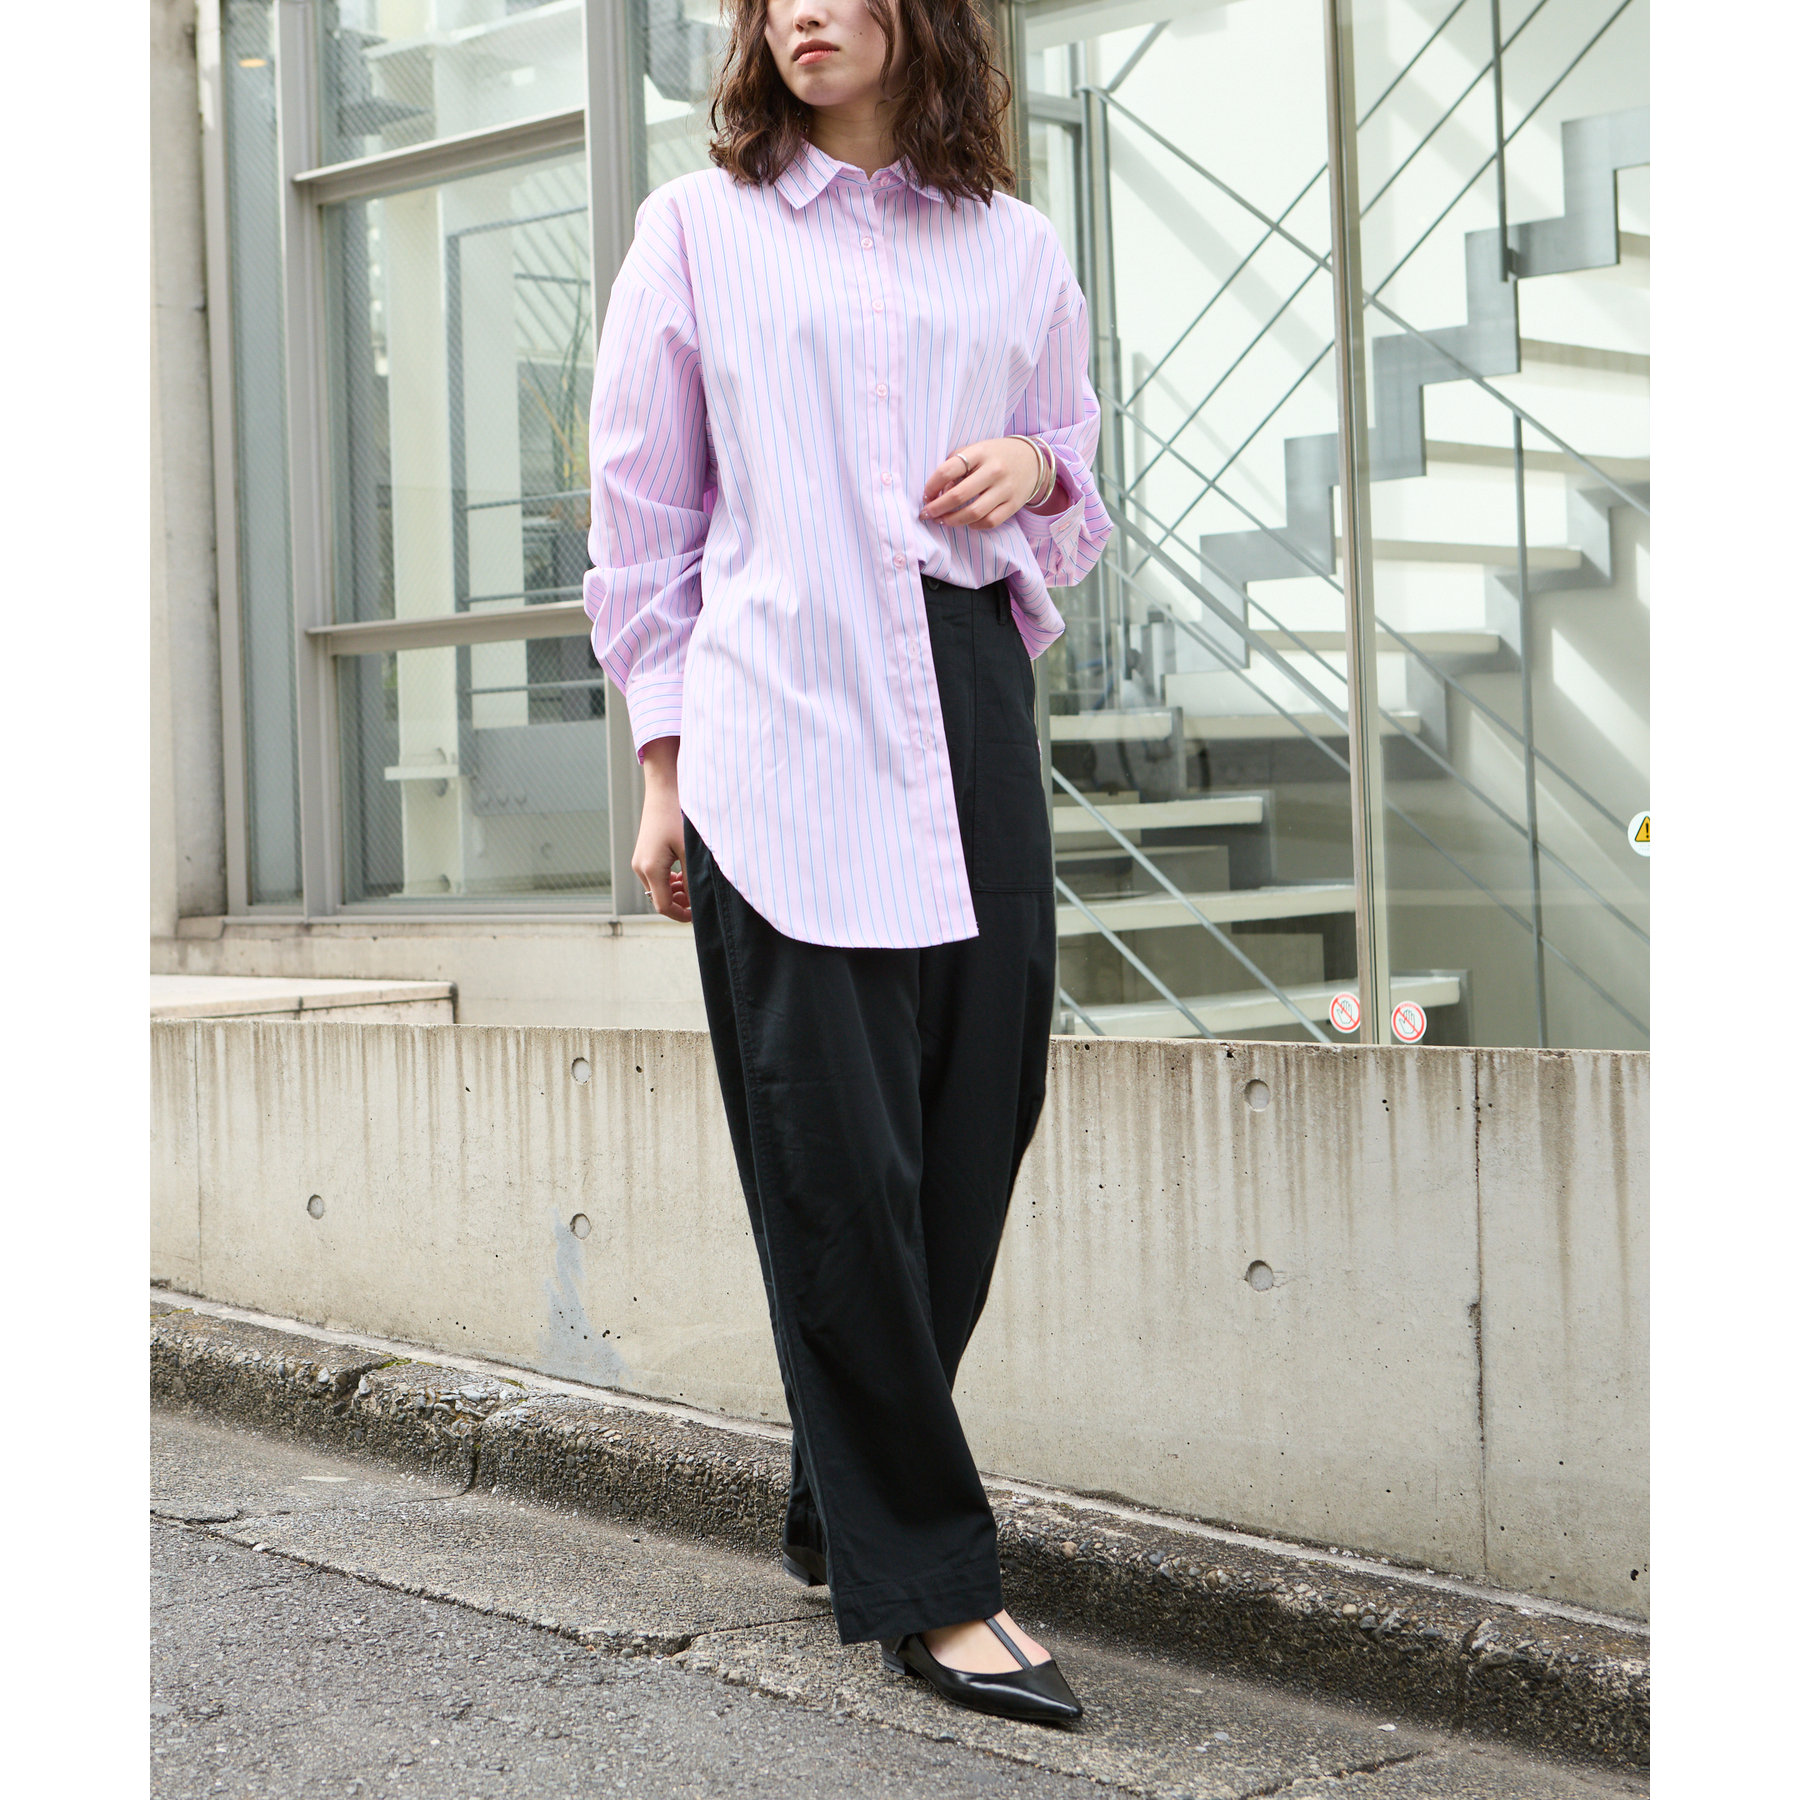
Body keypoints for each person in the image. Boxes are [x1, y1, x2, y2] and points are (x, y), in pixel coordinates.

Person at [583, 0, 1111, 1726]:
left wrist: (1034, 466)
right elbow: (644, 525)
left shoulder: (1016, 246)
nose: (799, 10)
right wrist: (664, 774)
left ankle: (844, 1498)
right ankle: (935, 1582)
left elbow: (1075, 482)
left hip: (964, 695)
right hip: (778, 712)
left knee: (975, 1121)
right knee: (836, 1160)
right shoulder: (697, 230)